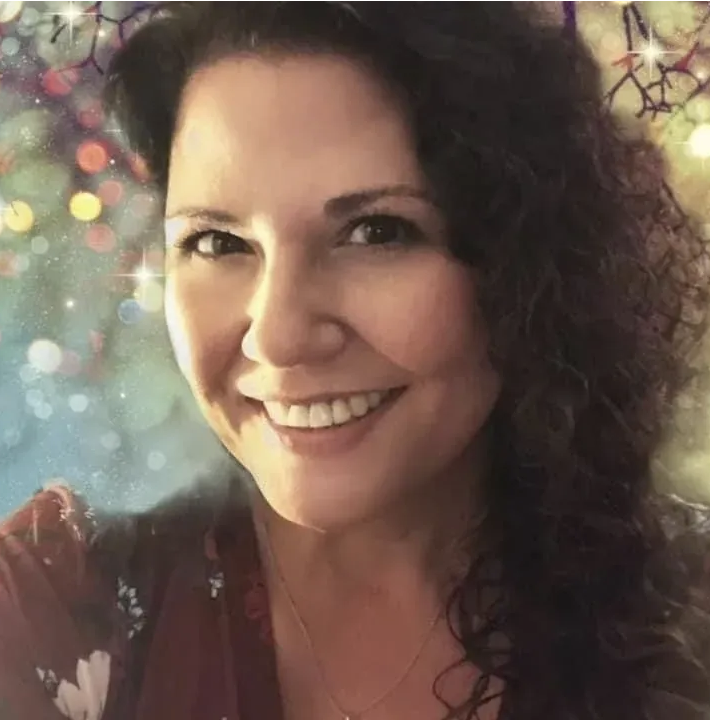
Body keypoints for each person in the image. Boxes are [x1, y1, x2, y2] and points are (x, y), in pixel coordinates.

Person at [1, 2, 709, 719]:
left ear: (531, 268)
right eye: (217, 242)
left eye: (376, 233)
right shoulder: (50, 606)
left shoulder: (689, 621)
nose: (277, 337)